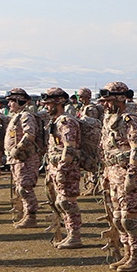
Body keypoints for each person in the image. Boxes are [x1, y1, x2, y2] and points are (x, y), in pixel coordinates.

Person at [100, 82, 137, 270]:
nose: (104, 105)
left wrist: (132, 175)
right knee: (118, 217)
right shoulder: (109, 118)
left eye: (108, 101)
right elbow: (106, 148)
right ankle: (127, 253)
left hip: (128, 173)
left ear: (119, 99)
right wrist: (106, 173)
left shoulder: (130, 120)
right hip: (113, 173)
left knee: (130, 218)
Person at [41, 87, 84, 249]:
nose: (46, 107)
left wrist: (63, 169)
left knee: (68, 202)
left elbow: (70, 147)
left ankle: (75, 235)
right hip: (55, 166)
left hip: (66, 168)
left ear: (58, 103)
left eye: (49, 104)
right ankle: (69, 233)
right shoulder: (56, 121)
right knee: (60, 202)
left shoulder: (66, 122)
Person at [4, 88, 43, 228]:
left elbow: (29, 135)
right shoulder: (17, 116)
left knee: (25, 188)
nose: (9, 105)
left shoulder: (26, 116)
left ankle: (31, 216)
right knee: (20, 187)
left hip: (25, 158)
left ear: (19, 101)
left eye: (11, 102)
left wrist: (18, 148)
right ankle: (27, 214)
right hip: (17, 159)